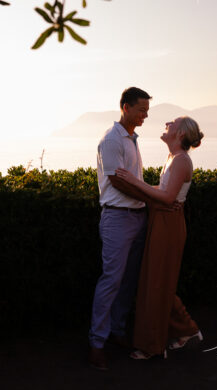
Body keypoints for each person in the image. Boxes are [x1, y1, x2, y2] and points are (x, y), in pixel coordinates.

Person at [115, 116, 204, 360]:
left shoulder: (181, 161)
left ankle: (152, 346)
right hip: (163, 220)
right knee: (156, 281)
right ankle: (187, 330)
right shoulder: (174, 159)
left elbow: (167, 198)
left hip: (168, 224)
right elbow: (164, 193)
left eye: (172, 122)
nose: (167, 122)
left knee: (156, 283)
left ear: (181, 134)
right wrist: (141, 186)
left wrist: (133, 181)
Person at [87, 87, 152, 371]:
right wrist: (154, 198)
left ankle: (117, 331)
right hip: (117, 219)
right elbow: (118, 182)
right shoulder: (112, 140)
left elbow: (133, 180)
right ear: (125, 107)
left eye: (147, 110)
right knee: (111, 280)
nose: (145, 115)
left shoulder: (132, 139)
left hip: (137, 217)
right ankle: (96, 344)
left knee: (128, 280)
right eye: (141, 110)